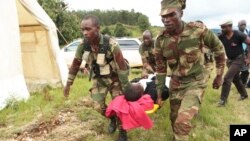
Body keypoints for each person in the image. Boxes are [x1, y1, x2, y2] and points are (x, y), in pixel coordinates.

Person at [154, 0, 226, 140]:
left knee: (182, 122)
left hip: (196, 82)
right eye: (163, 17)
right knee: (174, 119)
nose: (166, 20)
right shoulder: (161, 40)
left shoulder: (198, 30)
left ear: (181, 13)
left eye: (171, 15)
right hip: (176, 83)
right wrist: (159, 93)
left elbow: (218, 48)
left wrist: (219, 75)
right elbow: (160, 68)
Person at [63, 15, 130, 140]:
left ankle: (122, 131)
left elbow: (122, 66)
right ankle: (112, 118)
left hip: (115, 78)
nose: (85, 33)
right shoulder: (83, 45)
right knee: (97, 106)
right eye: (83, 29)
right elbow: (76, 64)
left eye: (88, 29)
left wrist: (126, 87)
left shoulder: (111, 43)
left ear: (98, 28)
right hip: (98, 79)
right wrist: (68, 84)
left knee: (120, 105)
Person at [217, 20, 250, 106]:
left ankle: (223, 101)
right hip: (229, 60)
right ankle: (244, 95)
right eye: (221, 27)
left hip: (239, 59)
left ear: (230, 26)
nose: (222, 29)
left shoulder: (238, 34)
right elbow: (213, 43)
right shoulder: (221, 36)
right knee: (235, 79)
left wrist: (248, 58)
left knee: (227, 78)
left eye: (224, 27)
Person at [238, 20, 249, 86]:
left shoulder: (247, 33)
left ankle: (243, 84)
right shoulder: (235, 33)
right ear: (238, 26)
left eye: (244, 24)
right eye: (241, 25)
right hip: (237, 54)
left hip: (245, 53)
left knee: (245, 71)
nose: (243, 26)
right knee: (235, 71)